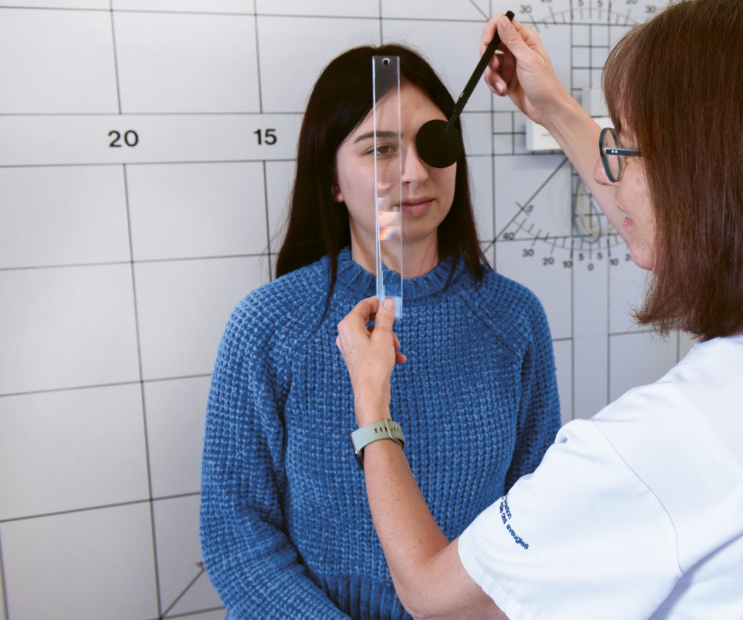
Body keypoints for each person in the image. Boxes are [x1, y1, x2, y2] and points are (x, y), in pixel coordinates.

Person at [336, 0, 743, 619]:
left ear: (699, 185)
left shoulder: (653, 447)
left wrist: (372, 408)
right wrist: (557, 109)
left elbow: (432, 596)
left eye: (626, 147)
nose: (614, 171)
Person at [199, 44, 561, 619]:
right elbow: (236, 534)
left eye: (432, 143)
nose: (415, 173)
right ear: (334, 179)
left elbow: (535, 515)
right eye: (380, 150)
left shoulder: (514, 319)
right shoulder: (269, 326)